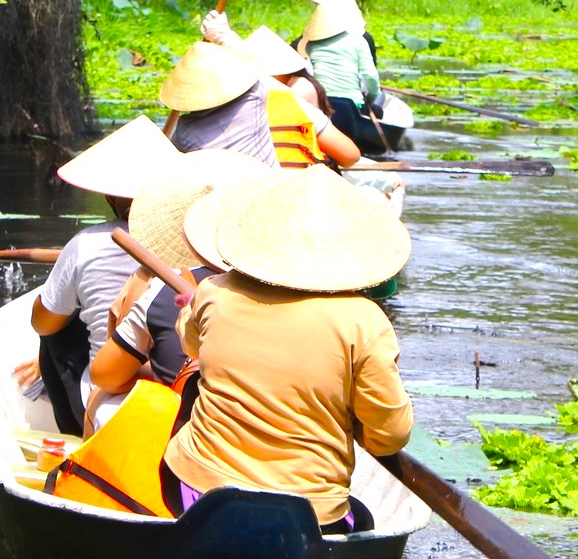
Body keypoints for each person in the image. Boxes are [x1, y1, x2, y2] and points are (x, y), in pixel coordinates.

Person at [161, 165, 414, 534]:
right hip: (310, 509)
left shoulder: (215, 291)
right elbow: (389, 434)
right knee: (362, 520)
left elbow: (191, 341)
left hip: (194, 488)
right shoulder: (365, 321)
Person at [81, 149, 267, 432]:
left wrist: (150, 370)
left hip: (196, 437)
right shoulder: (293, 291)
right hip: (271, 431)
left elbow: (104, 375)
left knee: (101, 397)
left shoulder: (160, 290)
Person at [30, 115, 179, 435]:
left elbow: (42, 323)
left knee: (56, 327)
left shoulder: (86, 245)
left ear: (110, 198)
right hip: (178, 384)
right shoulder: (195, 242)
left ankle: (71, 432)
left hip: (111, 388)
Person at [200, 17, 365, 171]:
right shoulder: (282, 95)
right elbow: (350, 156)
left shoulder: (297, 91)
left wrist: (227, 41)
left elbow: (350, 156)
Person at [297, 0, 387, 153]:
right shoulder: (359, 41)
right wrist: (371, 99)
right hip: (352, 105)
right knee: (379, 109)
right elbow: (371, 76)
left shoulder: (310, 45)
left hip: (323, 104)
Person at [160, 41, 278, 166]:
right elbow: (250, 64)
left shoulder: (185, 130)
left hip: (226, 185)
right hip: (272, 180)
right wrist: (221, 37)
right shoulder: (255, 96)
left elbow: (171, 163)